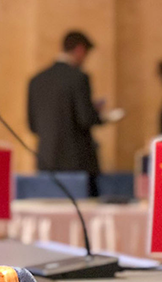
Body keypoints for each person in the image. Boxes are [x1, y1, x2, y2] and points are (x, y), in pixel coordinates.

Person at [27, 31, 123, 197]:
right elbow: (85, 118)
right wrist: (102, 115)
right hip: (78, 162)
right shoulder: (78, 78)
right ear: (80, 50)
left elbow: (33, 125)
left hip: (46, 160)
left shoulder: (36, 80)